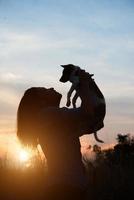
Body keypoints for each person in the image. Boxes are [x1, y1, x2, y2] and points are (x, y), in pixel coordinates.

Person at [17, 69, 104, 200]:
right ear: (42, 102)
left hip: (66, 189)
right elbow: (88, 112)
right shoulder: (47, 115)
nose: (51, 88)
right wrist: (84, 84)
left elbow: (93, 123)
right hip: (65, 190)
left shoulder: (54, 121)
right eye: (45, 90)